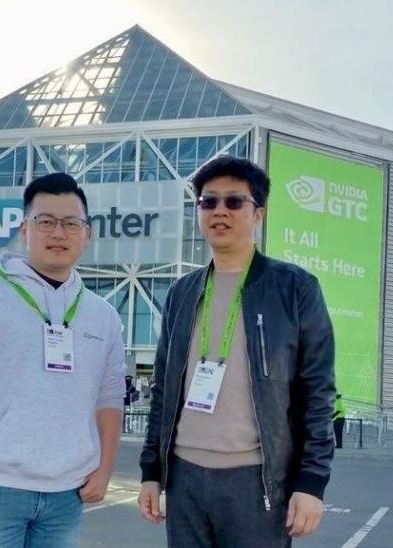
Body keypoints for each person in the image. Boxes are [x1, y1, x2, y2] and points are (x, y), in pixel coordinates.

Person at [138, 156, 336, 547]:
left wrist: (312, 482)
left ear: (258, 213)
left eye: (234, 201)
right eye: (208, 202)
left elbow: (317, 390)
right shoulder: (181, 293)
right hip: (184, 477)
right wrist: (151, 471)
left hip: (255, 479)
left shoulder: (294, 288)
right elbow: (163, 388)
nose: (219, 211)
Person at [0, 173, 126, 548]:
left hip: (68, 492)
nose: (58, 233)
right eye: (45, 221)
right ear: (24, 230)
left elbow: (110, 396)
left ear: (87, 234)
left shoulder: (103, 316)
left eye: (71, 223)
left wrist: (105, 468)